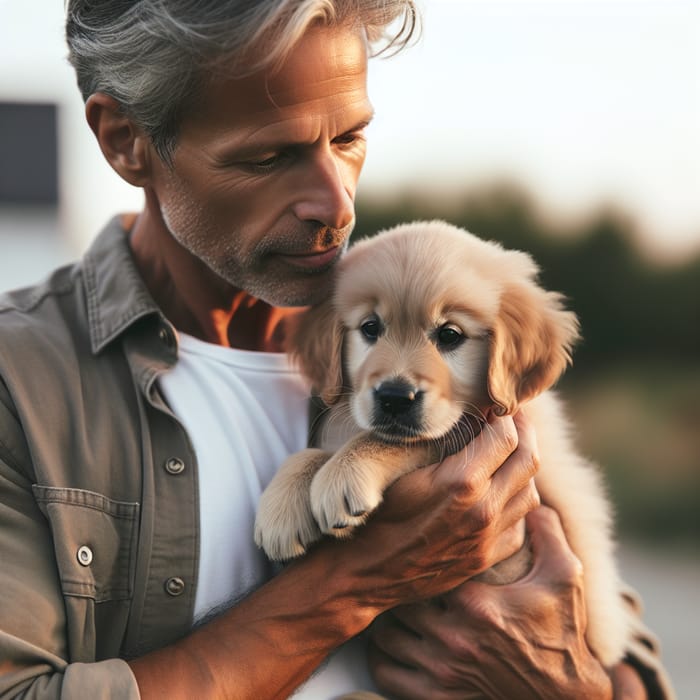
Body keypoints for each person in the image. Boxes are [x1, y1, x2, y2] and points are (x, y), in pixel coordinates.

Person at [0, 1, 674, 698]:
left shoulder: (441, 318)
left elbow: (614, 653)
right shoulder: (22, 385)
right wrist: (353, 583)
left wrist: (566, 685)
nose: (336, 203)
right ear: (125, 141)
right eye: (270, 155)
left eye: (349, 138)